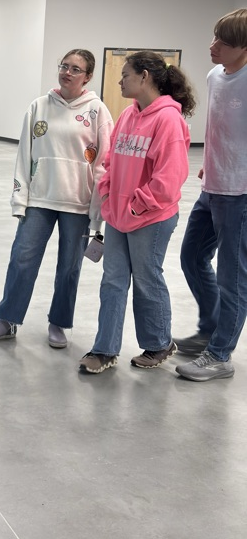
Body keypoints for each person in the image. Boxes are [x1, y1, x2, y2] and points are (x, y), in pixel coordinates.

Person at [0, 50, 113, 349]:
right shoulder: (39, 106)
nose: (67, 72)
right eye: (64, 66)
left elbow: (103, 165)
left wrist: (97, 213)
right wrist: (20, 198)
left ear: (88, 76)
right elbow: (24, 155)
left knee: (69, 266)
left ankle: (59, 323)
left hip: (77, 203)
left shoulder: (97, 112)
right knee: (22, 259)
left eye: (76, 69)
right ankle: (7, 319)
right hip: (39, 199)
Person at [79, 52, 196, 374]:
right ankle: (105, 349)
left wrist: (134, 205)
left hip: (151, 219)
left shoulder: (168, 120)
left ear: (144, 77)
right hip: (118, 216)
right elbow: (112, 163)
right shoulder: (129, 116)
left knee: (147, 280)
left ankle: (159, 342)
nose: (120, 81)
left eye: (125, 75)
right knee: (112, 282)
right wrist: (108, 195)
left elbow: (169, 180)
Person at [175, 9, 247, 382]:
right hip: (212, 185)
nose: (213, 46)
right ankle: (211, 327)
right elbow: (219, 128)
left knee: (232, 278)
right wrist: (210, 161)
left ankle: (220, 355)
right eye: (214, 36)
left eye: (224, 42)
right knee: (192, 257)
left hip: (241, 194)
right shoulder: (215, 75)